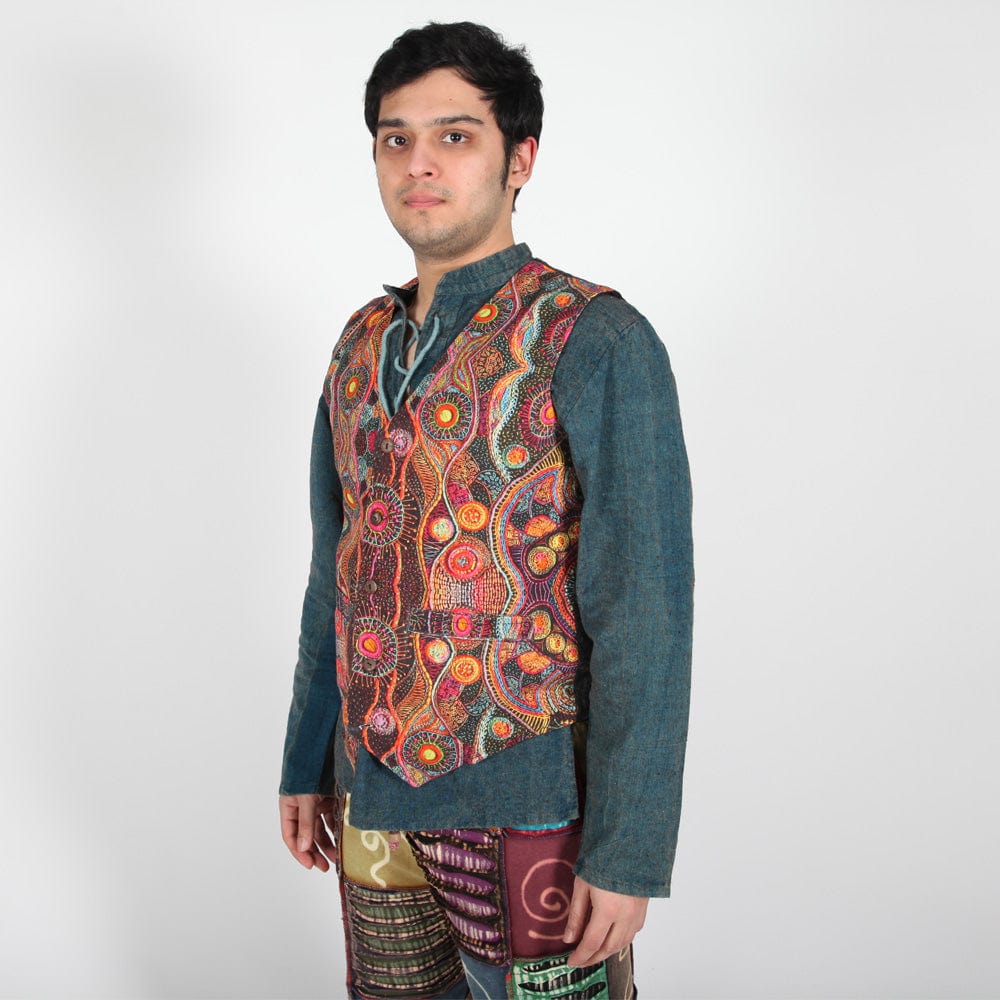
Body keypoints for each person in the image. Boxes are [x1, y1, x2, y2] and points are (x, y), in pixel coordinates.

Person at [279, 21, 693, 1000]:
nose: (418, 163)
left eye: (455, 136)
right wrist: (306, 760)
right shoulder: (359, 344)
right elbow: (336, 568)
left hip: (528, 799)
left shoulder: (596, 337)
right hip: (371, 796)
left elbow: (644, 612)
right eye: (395, 138)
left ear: (521, 159)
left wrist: (628, 849)